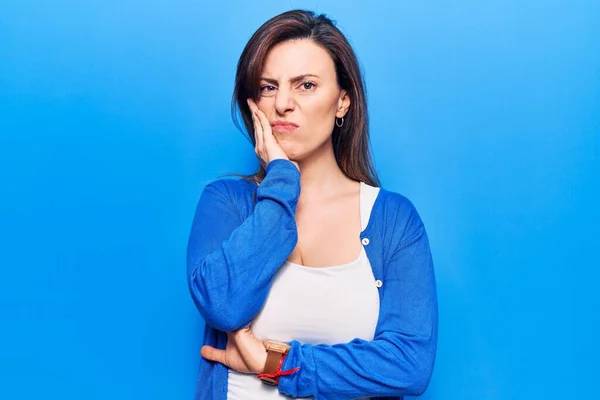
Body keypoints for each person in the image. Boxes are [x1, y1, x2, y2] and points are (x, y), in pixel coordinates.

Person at [186, 9, 438, 400]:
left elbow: (409, 364)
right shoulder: (226, 203)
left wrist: (277, 363)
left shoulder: (392, 219)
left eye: (305, 85)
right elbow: (224, 306)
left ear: (342, 102)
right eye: (269, 87)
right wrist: (282, 180)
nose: (283, 103)